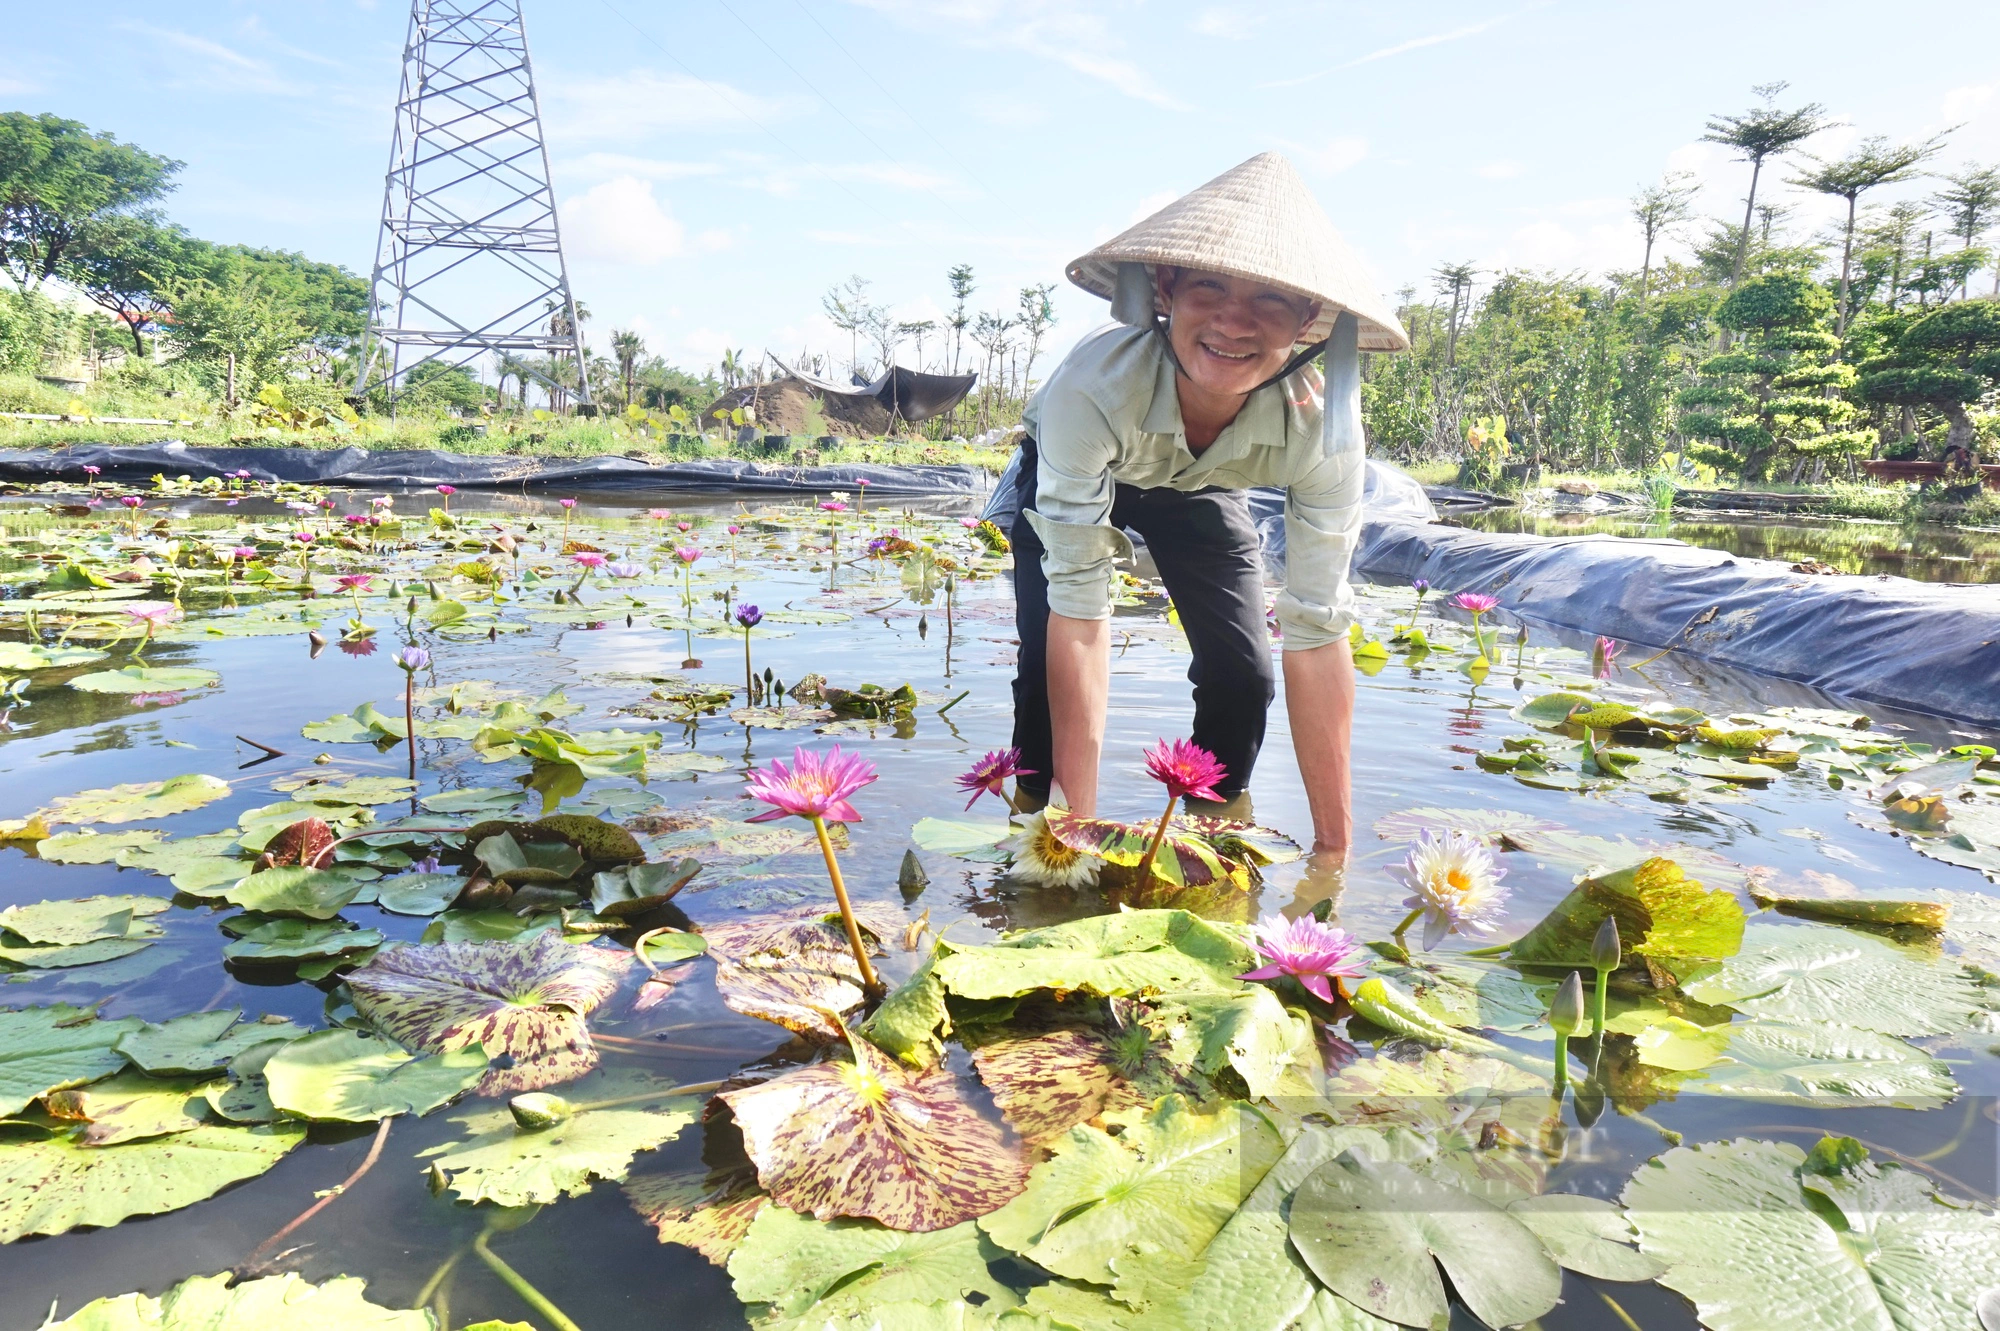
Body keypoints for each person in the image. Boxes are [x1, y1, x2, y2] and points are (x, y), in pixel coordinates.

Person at [1006, 152, 1408, 861]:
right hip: (1078, 467)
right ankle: (1037, 831)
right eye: (1209, 288)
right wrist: (1079, 847)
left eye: (1271, 300)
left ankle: (1206, 841)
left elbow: (1316, 629)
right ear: (1165, 288)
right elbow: (1080, 607)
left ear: (1308, 318)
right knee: (1044, 679)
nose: (1233, 321)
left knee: (1242, 678)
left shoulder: (1322, 431)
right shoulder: (1093, 388)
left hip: (1203, 487)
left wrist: (1332, 862)